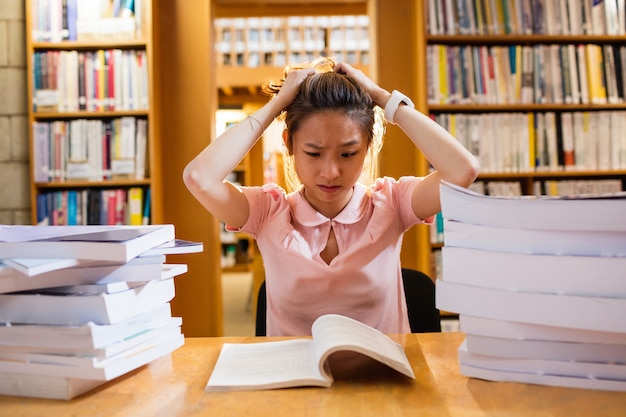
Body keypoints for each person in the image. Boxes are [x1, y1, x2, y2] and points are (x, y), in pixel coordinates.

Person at [183, 57, 479, 336]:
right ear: (289, 144)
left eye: (348, 153)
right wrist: (277, 105)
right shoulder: (267, 212)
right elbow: (199, 178)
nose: (331, 172)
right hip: (296, 385)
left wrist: (382, 98)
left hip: (382, 386)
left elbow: (462, 170)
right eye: (314, 153)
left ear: (367, 147)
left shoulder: (392, 203)